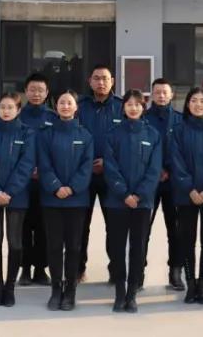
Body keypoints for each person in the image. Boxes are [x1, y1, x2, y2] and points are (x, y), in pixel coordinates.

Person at [103, 90, 162, 313]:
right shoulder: (113, 134)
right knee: (117, 247)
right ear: (124, 108)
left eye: (138, 104)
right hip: (117, 201)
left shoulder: (153, 135)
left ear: (143, 108)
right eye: (129, 104)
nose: (133, 108)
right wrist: (124, 194)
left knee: (138, 248)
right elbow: (110, 168)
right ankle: (120, 291)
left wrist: (138, 195)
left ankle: (132, 293)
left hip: (142, 203)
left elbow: (154, 169)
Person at [0, 91, 36, 307]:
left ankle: (10, 288)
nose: (6, 111)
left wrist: (9, 191)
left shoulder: (27, 133)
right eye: (2, 106)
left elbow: (26, 164)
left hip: (16, 195)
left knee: (15, 243)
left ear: (18, 110)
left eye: (10, 107)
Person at [37, 90, 94, 311]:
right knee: (53, 246)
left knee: (73, 247)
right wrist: (55, 186)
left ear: (76, 107)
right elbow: (44, 164)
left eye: (70, 103)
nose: (65, 106)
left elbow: (86, 167)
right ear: (56, 106)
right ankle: (55, 289)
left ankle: (70, 290)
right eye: (62, 102)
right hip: (52, 199)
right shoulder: (46, 135)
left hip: (76, 201)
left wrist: (71, 188)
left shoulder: (85, 135)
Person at [169, 86, 203, 305]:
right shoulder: (179, 130)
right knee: (187, 240)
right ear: (187, 104)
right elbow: (176, 162)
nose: (198, 104)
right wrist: (190, 189)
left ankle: (202, 285)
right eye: (194, 100)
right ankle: (190, 284)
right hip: (186, 195)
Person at [76, 63, 124, 282]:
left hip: (111, 176)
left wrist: (108, 163)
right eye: (96, 78)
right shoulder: (80, 107)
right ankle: (78, 269)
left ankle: (115, 269)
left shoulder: (121, 107)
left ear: (112, 81)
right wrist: (87, 164)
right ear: (90, 81)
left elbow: (126, 142)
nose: (101, 82)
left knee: (114, 226)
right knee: (80, 226)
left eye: (105, 78)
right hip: (83, 176)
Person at [144, 77, 185, 291]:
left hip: (174, 182)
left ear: (171, 95)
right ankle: (138, 271)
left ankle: (175, 272)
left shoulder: (180, 120)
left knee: (175, 230)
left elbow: (183, 151)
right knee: (143, 229)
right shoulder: (143, 118)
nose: (161, 95)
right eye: (157, 92)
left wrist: (168, 169)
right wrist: (156, 170)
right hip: (148, 183)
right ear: (152, 94)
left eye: (164, 92)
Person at [18, 72, 57, 286]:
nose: (36, 94)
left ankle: (41, 269)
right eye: (32, 89)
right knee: (23, 226)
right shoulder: (17, 115)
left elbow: (57, 149)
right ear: (25, 91)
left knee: (44, 227)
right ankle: (24, 269)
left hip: (45, 181)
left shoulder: (53, 117)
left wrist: (44, 171)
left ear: (47, 93)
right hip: (22, 183)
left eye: (40, 90)